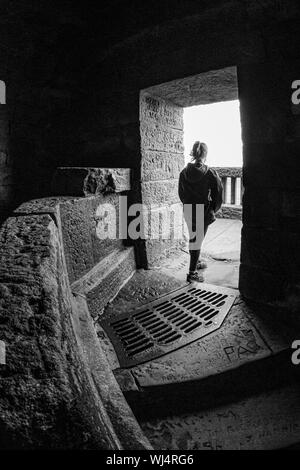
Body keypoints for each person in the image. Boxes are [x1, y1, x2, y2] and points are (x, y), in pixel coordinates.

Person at [178, 141, 223, 283]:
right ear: (205, 154)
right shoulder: (210, 173)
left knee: (193, 238)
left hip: (189, 210)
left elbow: (181, 193)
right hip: (203, 210)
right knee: (197, 240)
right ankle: (192, 273)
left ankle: (195, 261)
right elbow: (218, 194)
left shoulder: (184, 172)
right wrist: (212, 209)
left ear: (193, 153)